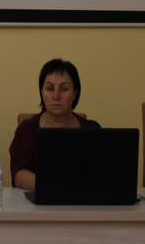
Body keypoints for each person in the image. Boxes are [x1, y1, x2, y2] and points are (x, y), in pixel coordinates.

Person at [9, 58, 100, 192]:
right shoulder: (27, 129)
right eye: (50, 88)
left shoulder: (92, 129)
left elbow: (101, 173)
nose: (56, 96)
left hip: (82, 202)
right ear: (42, 92)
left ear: (75, 93)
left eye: (64, 89)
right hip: (39, 200)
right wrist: (60, 188)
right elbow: (18, 175)